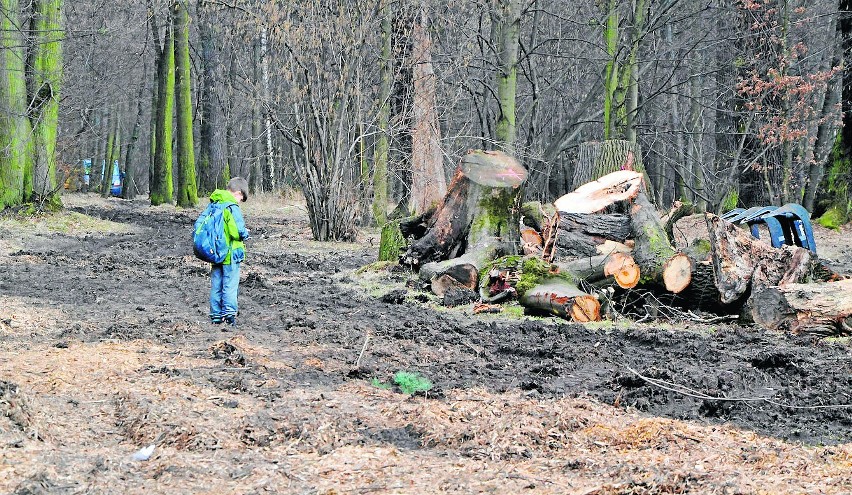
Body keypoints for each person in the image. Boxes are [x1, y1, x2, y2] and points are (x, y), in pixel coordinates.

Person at [208, 177, 250, 327]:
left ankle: (216, 316)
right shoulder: (231, 207)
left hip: (216, 253)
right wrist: (246, 233)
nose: (240, 201)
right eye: (241, 198)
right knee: (230, 285)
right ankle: (229, 315)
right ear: (238, 193)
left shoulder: (214, 203)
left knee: (216, 285)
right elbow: (237, 232)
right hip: (231, 253)